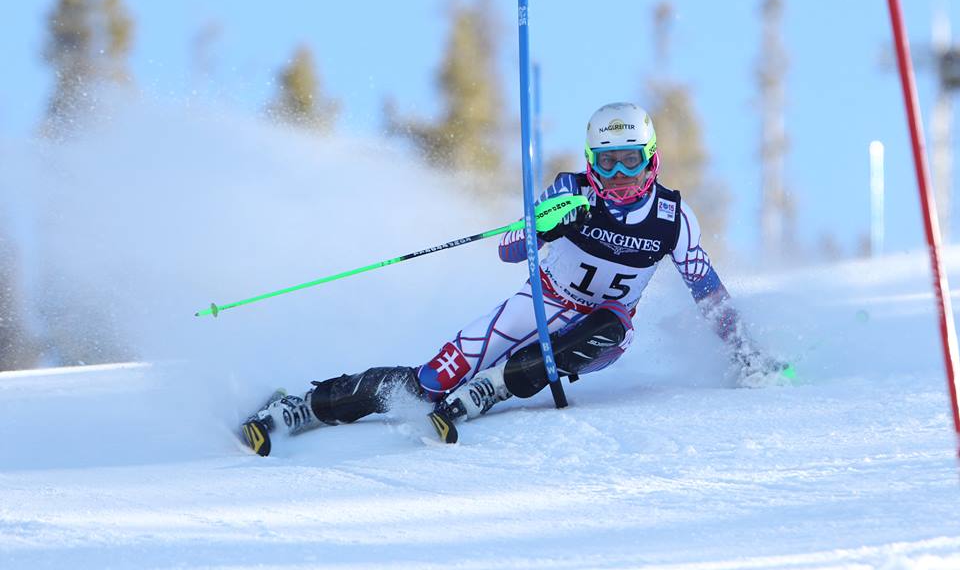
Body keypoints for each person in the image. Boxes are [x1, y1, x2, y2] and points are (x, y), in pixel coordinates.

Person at [240, 102, 790, 456]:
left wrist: (745, 353)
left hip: (599, 330)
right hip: (540, 301)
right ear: (590, 162)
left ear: (653, 160)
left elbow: (708, 292)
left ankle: (497, 387)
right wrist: (546, 224)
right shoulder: (570, 192)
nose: (619, 178)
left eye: (630, 162)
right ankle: (306, 405)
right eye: (607, 164)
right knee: (429, 381)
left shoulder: (673, 218)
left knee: (609, 325)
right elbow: (508, 250)